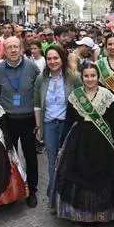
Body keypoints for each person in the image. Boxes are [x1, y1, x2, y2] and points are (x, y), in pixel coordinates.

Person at [51, 64, 114, 222]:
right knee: (80, 175)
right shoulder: (75, 96)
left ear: (98, 77)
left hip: (102, 142)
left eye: (93, 76)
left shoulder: (107, 95)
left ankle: (101, 213)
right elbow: (68, 122)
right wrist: (60, 145)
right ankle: (81, 214)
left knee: (103, 176)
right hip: (79, 141)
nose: (90, 79)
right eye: (86, 76)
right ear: (82, 77)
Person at [0, 37, 41, 207]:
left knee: (30, 156)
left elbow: (39, 91)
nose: (13, 50)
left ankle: (32, 190)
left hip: (28, 119)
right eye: (9, 47)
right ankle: (11, 189)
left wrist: (38, 121)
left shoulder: (32, 67)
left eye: (16, 47)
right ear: (4, 51)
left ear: (22, 49)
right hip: (8, 119)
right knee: (9, 157)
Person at [33, 45, 81, 196]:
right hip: (49, 125)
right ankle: (54, 195)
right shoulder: (42, 78)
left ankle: (69, 194)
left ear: (62, 59)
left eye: (56, 58)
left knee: (69, 160)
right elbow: (36, 104)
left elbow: (81, 100)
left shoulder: (73, 77)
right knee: (52, 161)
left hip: (68, 126)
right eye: (49, 59)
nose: (52, 61)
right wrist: (39, 127)